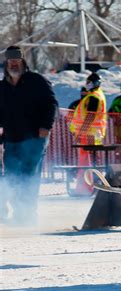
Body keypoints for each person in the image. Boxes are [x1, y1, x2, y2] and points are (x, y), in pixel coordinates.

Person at [0, 46, 58, 225]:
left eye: (16, 60)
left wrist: (46, 126)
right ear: (6, 62)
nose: (14, 63)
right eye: (10, 60)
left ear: (23, 61)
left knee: (27, 174)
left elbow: (51, 103)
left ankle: (27, 215)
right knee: (11, 176)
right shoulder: (2, 86)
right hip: (11, 138)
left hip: (34, 136)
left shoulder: (36, 81)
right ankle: (19, 213)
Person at [69, 72, 107, 195]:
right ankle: (87, 187)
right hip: (91, 133)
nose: (87, 84)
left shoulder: (93, 97)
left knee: (86, 162)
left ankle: (86, 188)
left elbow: (90, 116)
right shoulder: (95, 95)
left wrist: (81, 131)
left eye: (89, 82)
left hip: (88, 134)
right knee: (88, 161)